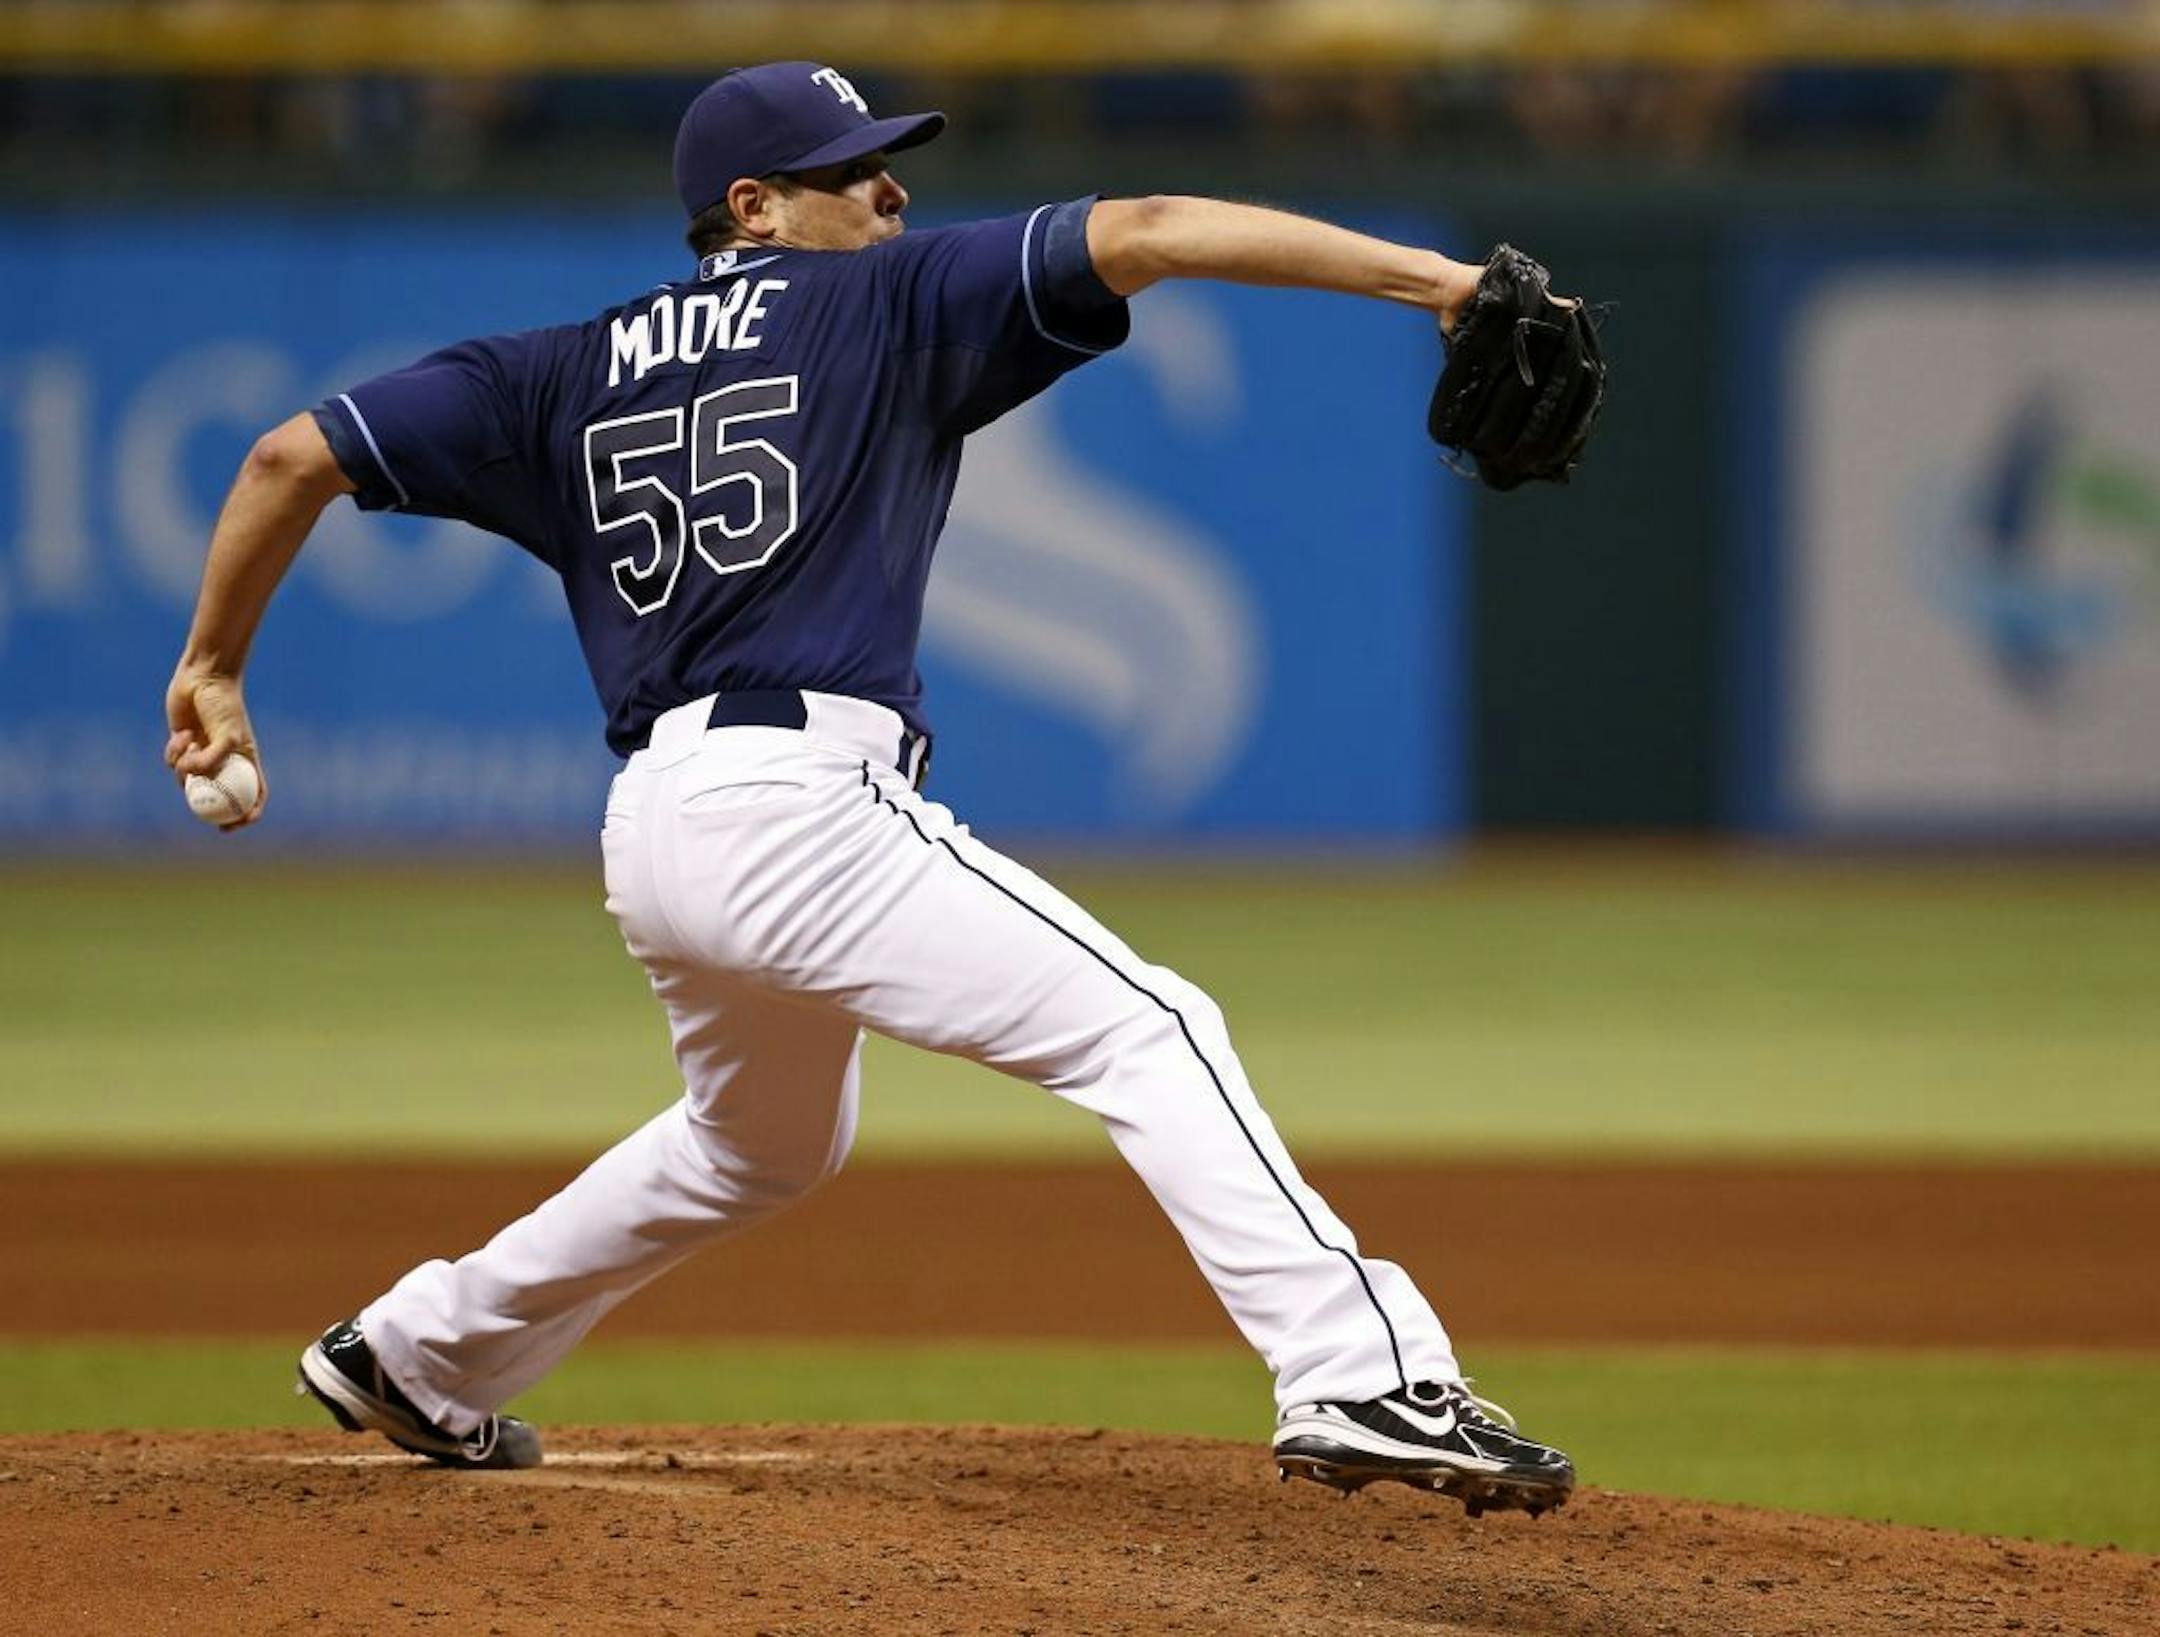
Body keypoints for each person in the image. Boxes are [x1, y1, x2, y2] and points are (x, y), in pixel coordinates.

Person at [164, 61, 1576, 1517]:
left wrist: (214, 662)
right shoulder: (887, 302)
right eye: (855, 171)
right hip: (798, 805)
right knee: (1150, 1024)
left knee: (761, 1142)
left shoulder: (554, 371)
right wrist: (1444, 285)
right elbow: (1151, 223)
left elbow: (291, 452)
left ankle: (423, 1350)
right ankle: (1361, 1368)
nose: (893, 192)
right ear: (753, 208)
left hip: (652, 826)